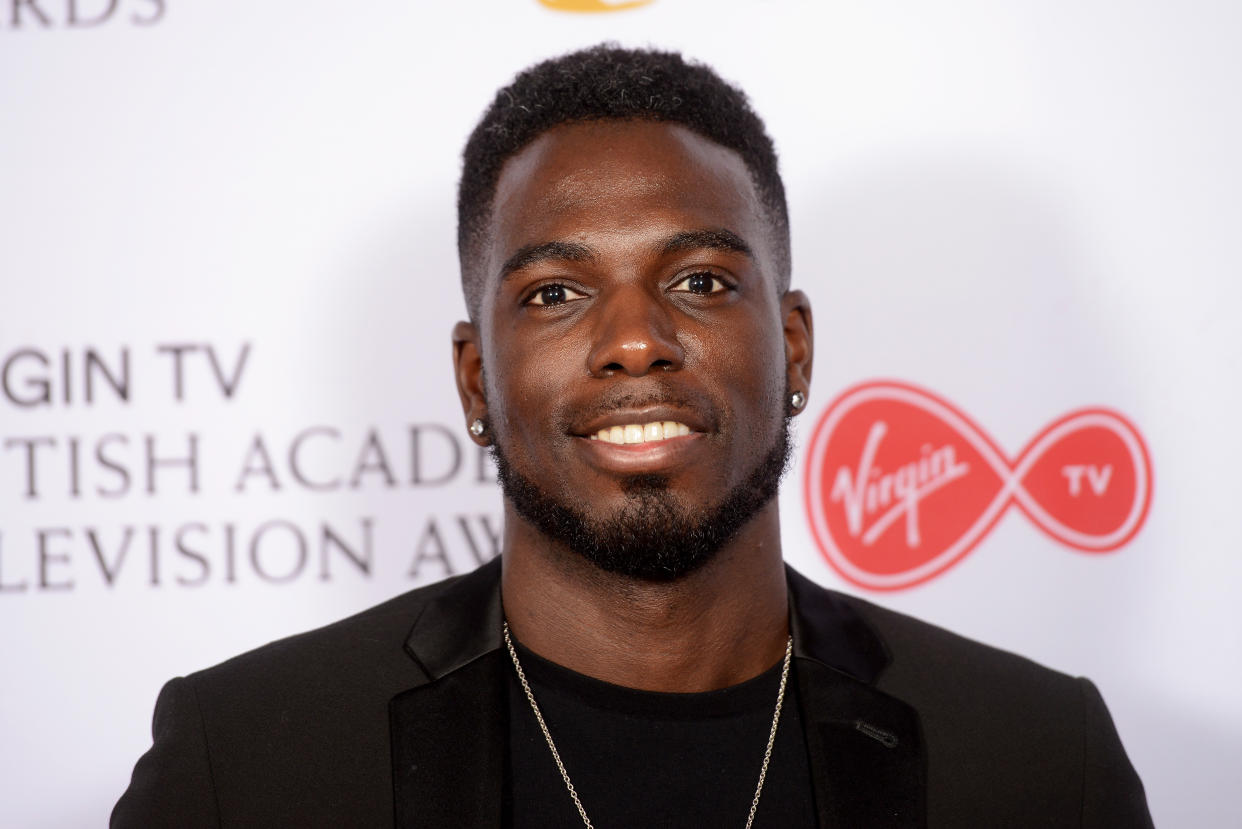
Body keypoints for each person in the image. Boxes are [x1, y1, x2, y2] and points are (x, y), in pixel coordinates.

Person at [113, 44, 1152, 828]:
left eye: (699, 282)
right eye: (557, 291)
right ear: (475, 377)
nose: (634, 341)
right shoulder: (245, 765)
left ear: (793, 345)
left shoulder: (1036, 761)